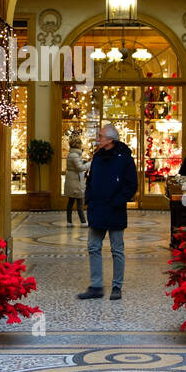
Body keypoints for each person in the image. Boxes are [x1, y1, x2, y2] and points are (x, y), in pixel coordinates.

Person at [78, 124, 138, 301]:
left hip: (115, 210)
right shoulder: (97, 157)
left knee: (117, 249)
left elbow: (131, 185)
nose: (98, 138)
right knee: (93, 246)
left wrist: (118, 200)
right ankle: (96, 286)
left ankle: (116, 286)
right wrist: (88, 198)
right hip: (97, 209)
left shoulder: (125, 158)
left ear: (110, 140)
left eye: (101, 135)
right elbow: (91, 179)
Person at [64, 137, 88, 226]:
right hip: (76, 182)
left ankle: (69, 221)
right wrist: (90, 164)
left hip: (72, 181)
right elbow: (80, 168)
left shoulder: (72, 155)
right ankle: (83, 221)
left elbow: (76, 164)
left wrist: (83, 162)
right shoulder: (74, 155)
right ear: (78, 145)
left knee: (70, 203)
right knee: (79, 203)